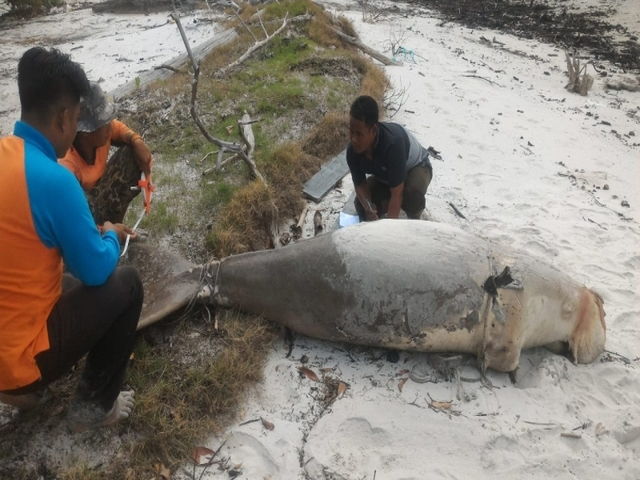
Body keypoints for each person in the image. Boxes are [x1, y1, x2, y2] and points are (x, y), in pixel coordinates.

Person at [0, 47, 143, 431]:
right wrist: (111, 235)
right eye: (78, 116)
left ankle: (17, 387)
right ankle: (93, 408)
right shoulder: (55, 179)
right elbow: (96, 271)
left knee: (60, 281)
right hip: (17, 358)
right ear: (65, 117)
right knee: (125, 283)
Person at [59, 82, 153, 224]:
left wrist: (136, 141)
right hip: (83, 209)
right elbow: (72, 217)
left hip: (101, 194)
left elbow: (119, 129)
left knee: (131, 152)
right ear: (86, 133)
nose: (110, 125)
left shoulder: (102, 135)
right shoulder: (66, 165)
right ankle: (108, 233)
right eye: (104, 123)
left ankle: (116, 225)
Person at [347, 95, 433, 221]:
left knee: (412, 196)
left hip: (417, 167)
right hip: (387, 175)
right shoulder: (353, 151)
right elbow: (360, 185)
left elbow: (397, 194)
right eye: (351, 131)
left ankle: (415, 220)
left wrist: (389, 233)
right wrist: (369, 208)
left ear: (374, 130)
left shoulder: (393, 145)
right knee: (361, 205)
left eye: (359, 134)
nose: (353, 139)